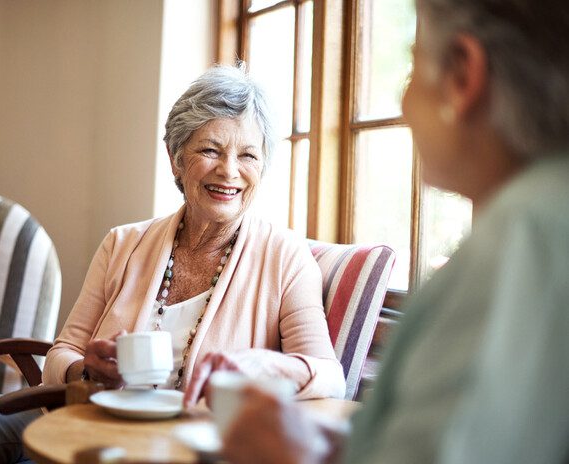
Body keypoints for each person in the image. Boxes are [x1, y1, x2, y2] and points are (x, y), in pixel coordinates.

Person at [0, 64, 346, 463]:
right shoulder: (123, 243)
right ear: (177, 160)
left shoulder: (285, 257)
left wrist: (265, 365)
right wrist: (87, 369)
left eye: (248, 155)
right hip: (94, 416)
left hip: (194, 440)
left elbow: (329, 376)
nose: (229, 171)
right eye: (211, 150)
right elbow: (62, 353)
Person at [221, 0, 569, 463]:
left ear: (462, 77)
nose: (403, 103)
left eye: (412, 64)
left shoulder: (522, 239)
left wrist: (290, 455)